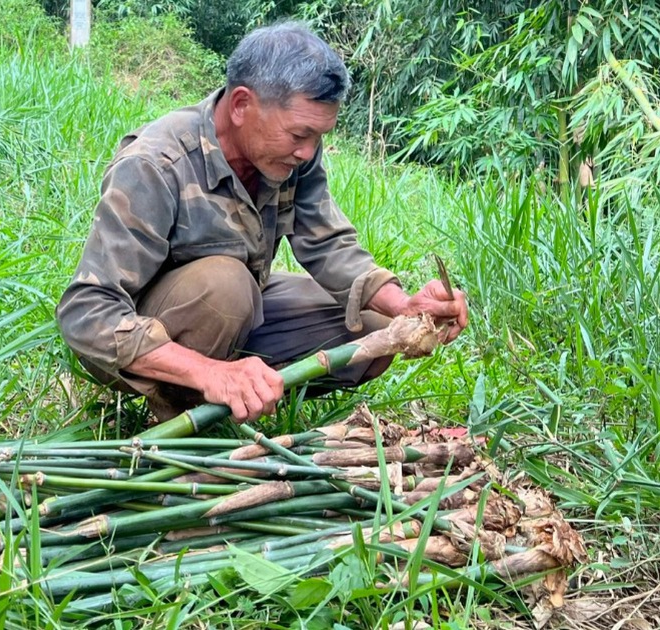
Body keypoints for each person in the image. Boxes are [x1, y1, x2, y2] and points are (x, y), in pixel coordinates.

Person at [56, 22, 468, 424]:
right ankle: (183, 425)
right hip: (143, 340)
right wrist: (209, 372)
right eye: (299, 135)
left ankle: (244, 390)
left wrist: (405, 306)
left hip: (240, 309)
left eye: (318, 137)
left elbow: (327, 242)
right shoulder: (156, 165)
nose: (308, 152)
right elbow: (86, 313)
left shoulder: (290, 154)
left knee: (374, 328)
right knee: (226, 285)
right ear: (240, 105)